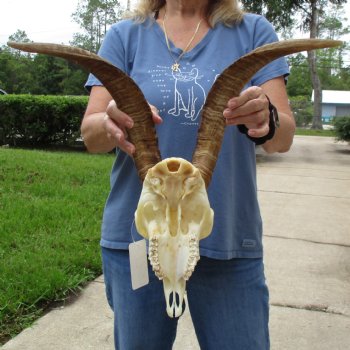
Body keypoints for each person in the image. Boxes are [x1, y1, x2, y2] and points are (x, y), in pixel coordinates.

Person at [81, 0, 294, 349]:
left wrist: (266, 119)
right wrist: (109, 123)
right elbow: (91, 135)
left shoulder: (253, 32)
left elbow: (283, 138)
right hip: (138, 238)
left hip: (226, 238)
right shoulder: (124, 36)